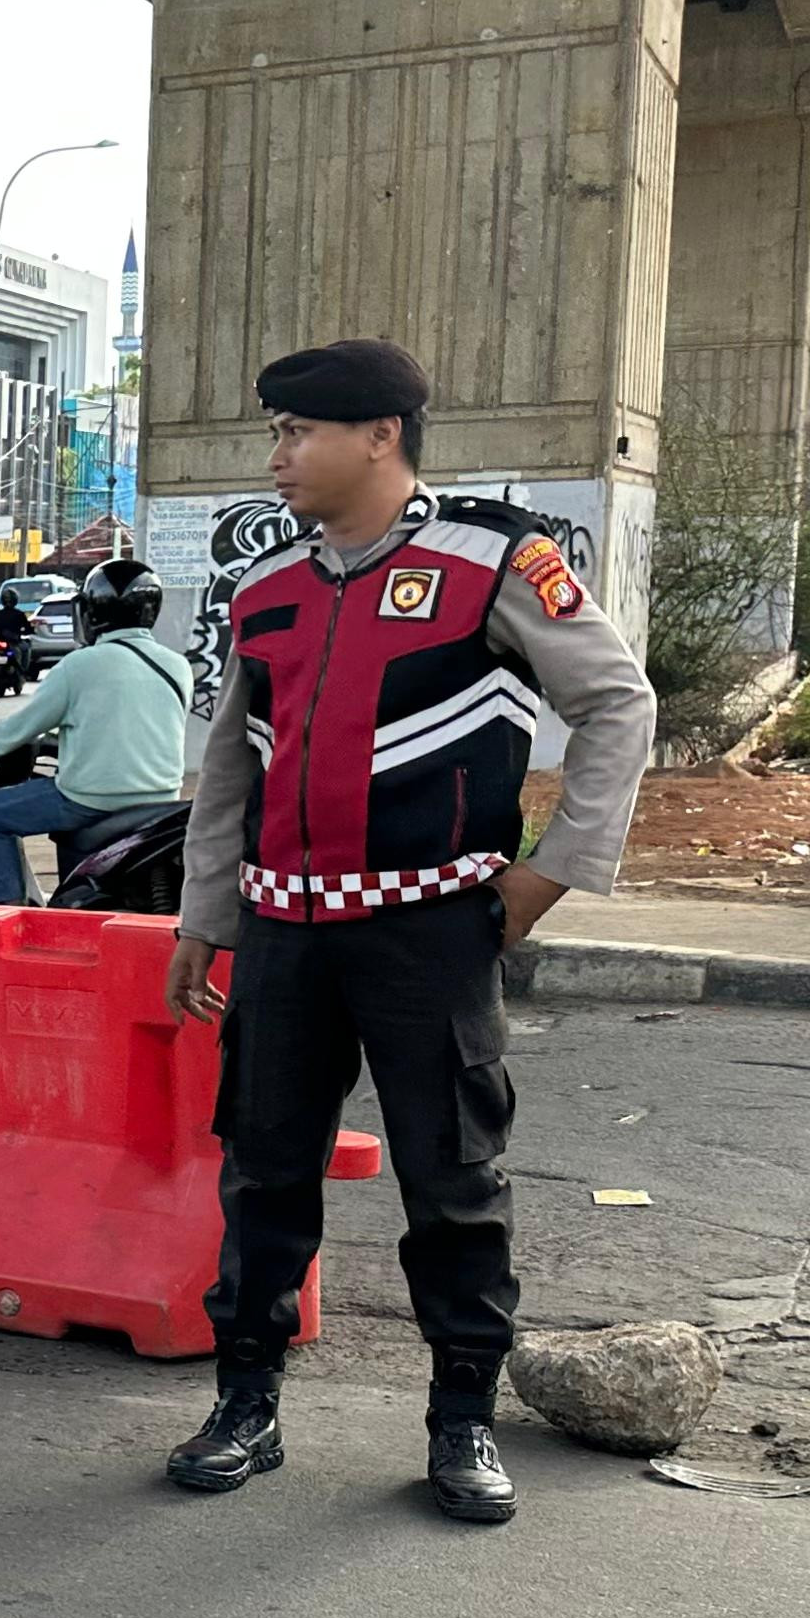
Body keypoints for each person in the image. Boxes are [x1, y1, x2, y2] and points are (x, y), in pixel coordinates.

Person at [161, 338, 657, 1525]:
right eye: (275, 433)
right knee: (264, 1175)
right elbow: (229, 766)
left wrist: (549, 878)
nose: (277, 456)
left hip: (430, 935)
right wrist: (204, 917)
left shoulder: (495, 561)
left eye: (297, 432)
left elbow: (616, 703)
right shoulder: (267, 589)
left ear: (381, 434)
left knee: (453, 1184)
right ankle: (246, 1404)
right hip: (284, 934)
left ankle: (462, 1420)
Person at [0, 558, 190, 903]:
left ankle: (5, 918)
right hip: (161, 801)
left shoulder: (79, 665)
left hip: (90, 801)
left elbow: (20, 729)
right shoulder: (177, 666)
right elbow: (125, 726)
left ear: (93, 611)